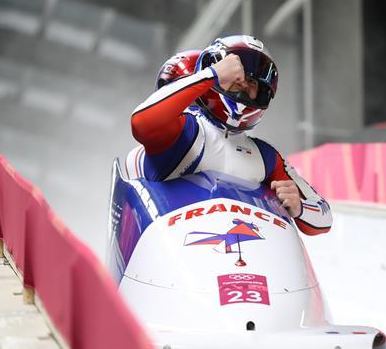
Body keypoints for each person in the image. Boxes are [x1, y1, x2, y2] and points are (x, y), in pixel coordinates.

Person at [126, 35, 332, 235]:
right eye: (238, 75)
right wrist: (212, 74)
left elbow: (325, 217)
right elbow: (142, 122)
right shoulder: (186, 131)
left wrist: (300, 207)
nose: (244, 83)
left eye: (253, 81)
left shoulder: (265, 156)